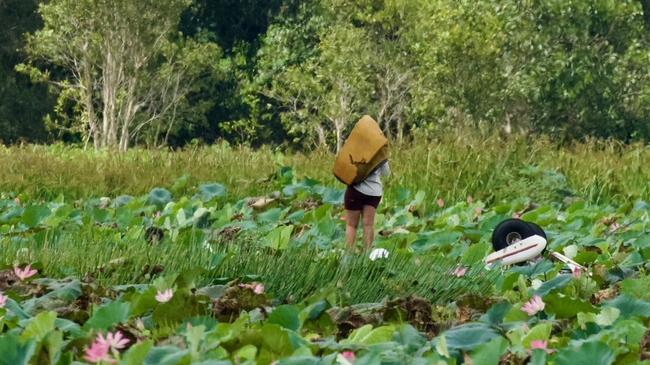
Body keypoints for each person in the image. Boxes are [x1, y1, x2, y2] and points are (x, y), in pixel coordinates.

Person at [344, 160, 390, 250]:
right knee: (368, 225)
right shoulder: (380, 148)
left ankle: (349, 257)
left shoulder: (353, 146)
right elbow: (386, 173)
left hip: (355, 189)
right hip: (373, 192)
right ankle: (367, 256)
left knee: (351, 225)